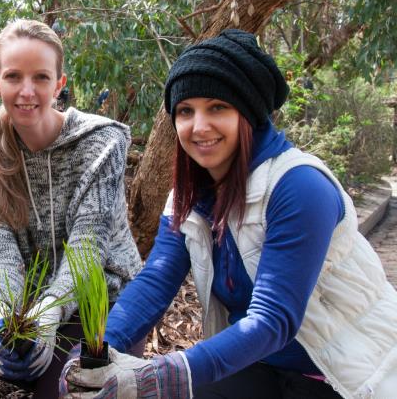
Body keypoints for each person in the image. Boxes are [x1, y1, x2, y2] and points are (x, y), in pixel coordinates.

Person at [59, 29, 397, 398]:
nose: (199, 126)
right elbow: (155, 282)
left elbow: (272, 321)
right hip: (260, 368)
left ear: (248, 114)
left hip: (347, 377)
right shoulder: (190, 196)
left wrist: (159, 376)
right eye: (185, 111)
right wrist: (93, 353)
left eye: (217, 107)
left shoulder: (299, 187)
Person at [0, 19, 143, 398]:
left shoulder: (101, 143)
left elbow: (87, 250)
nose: (27, 91)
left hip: (103, 299)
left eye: (41, 77)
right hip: (33, 292)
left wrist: (47, 316)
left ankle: (54, 374)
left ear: (59, 84)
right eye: (13, 77)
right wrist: (0, 314)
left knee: (69, 387)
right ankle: (36, 369)